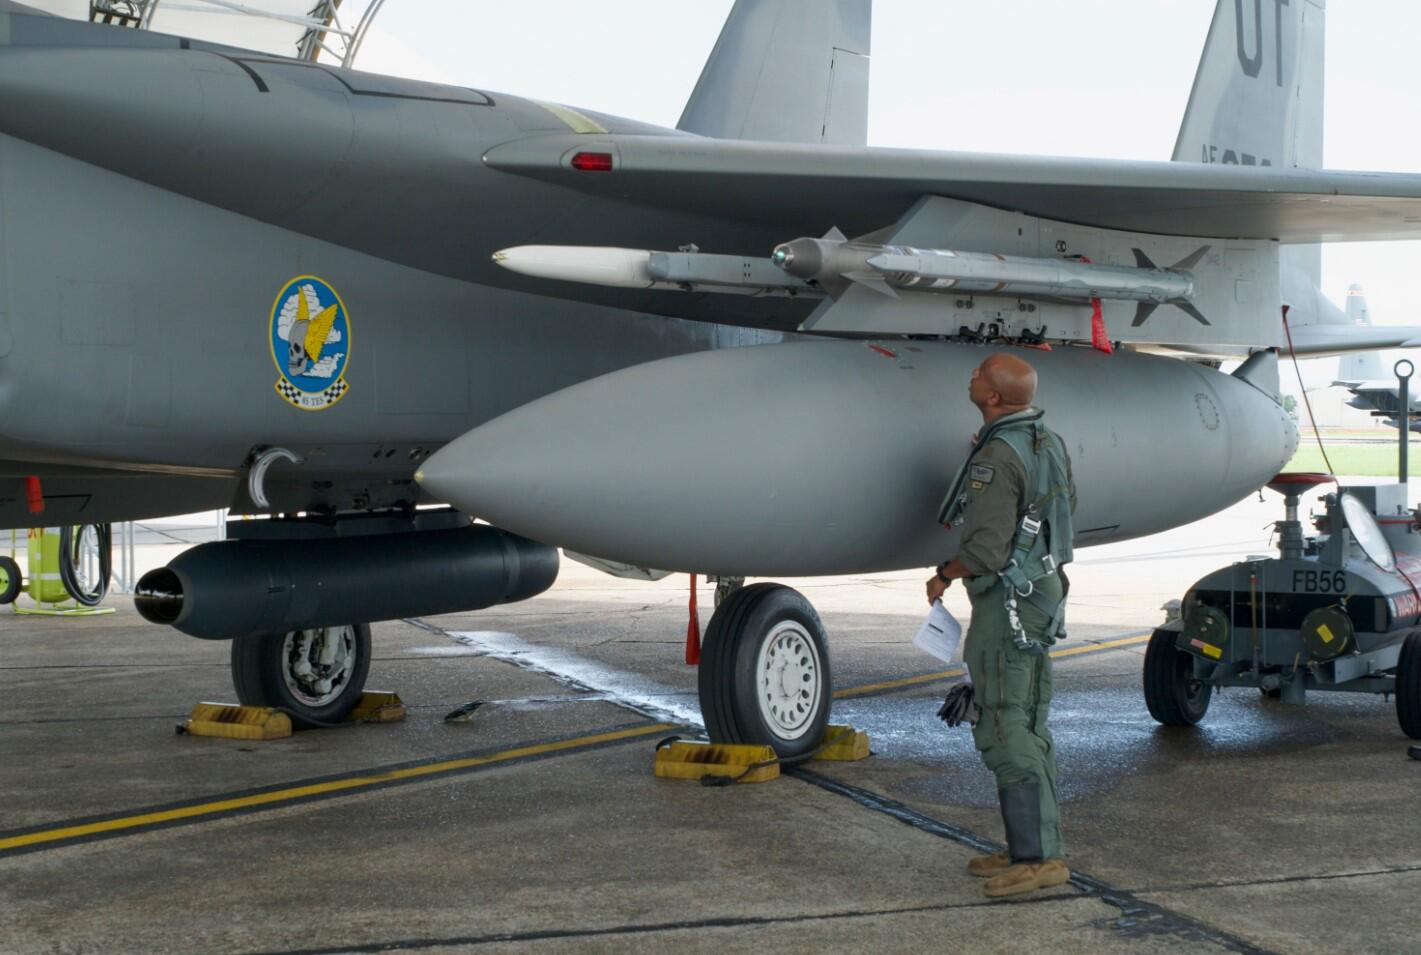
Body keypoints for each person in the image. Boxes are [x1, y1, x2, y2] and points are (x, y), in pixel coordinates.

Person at [925, 352, 1077, 899]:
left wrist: (944, 574)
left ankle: (1038, 859)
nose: (971, 374)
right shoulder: (1046, 441)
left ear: (993, 397)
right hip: (1039, 592)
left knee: (1002, 721)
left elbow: (985, 551)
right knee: (1029, 720)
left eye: (980, 374)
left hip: (1008, 603)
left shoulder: (996, 455)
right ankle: (1032, 847)